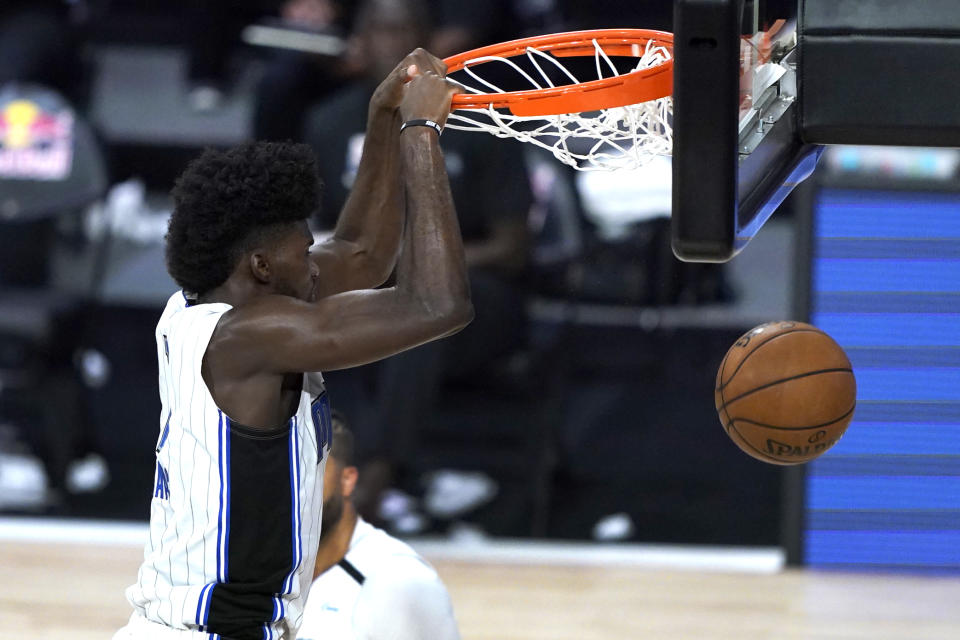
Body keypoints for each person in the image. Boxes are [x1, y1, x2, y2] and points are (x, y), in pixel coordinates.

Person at [113, 47, 472, 640]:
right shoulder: (247, 337)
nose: (314, 265)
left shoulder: (203, 306)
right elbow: (439, 304)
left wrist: (381, 121)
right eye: (303, 252)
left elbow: (361, 253)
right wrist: (421, 134)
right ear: (259, 264)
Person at [302, 0, 532, 521]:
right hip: (364, 288)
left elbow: (512, 247)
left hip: (477, 296)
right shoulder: (329, 122)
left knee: (419, 313)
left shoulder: (479, 124)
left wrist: (424, 265)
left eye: (406, 31)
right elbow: (313, 235)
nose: (393, 45)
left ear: (431, 47)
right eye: (381, 30)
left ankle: (374, 479)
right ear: (360, 44)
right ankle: (300, 475)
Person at [297, 413, 460, 640]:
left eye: (310, 470)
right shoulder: (247, 570)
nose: (296, 487)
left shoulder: (398, 580)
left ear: (347, 480)